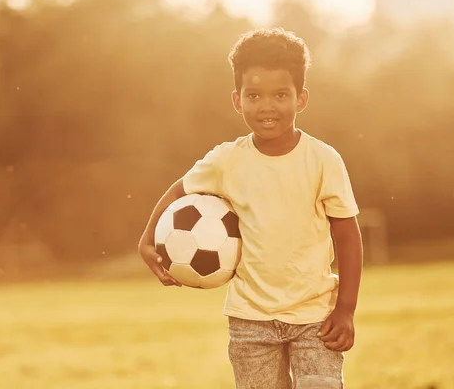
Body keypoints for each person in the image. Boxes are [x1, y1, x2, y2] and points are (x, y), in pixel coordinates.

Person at [138, 27, 363, 389]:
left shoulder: (324, 160)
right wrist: (147, 241)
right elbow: (178, 190)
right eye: (254, 95)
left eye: (280, 95)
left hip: (314, 316)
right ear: (237, 100)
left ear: (301, 98)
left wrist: (346, 309)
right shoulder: (226, 160)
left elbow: (347, 235)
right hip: (250, 321)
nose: (267, 106)